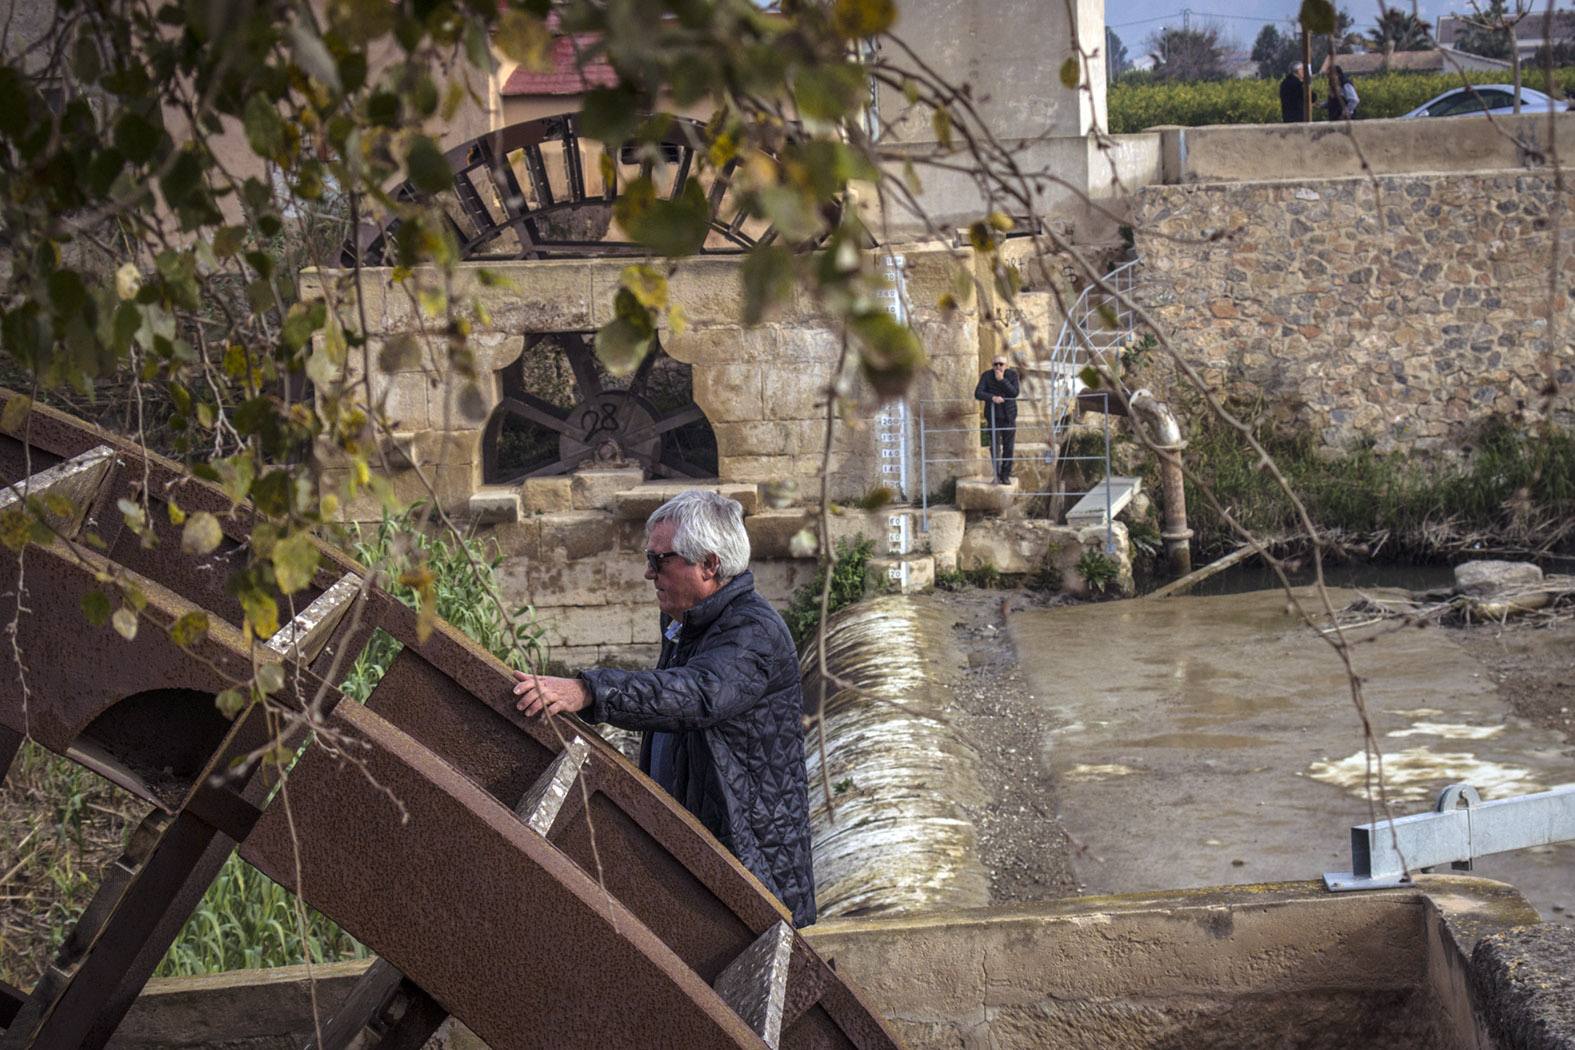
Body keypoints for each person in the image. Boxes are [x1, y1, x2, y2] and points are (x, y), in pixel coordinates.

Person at [511, 490, 817, 927]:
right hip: (699, 855)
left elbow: (694, 694)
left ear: (709, 565)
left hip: (748, 862)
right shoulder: (688, 622)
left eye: (660, 561)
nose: (647, 572)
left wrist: (589, 691)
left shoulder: (754, 633)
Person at [974, 354, 1019, 484]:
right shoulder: (987, 376)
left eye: (1001, 364)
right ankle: (997, 474)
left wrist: (1001, 380)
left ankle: (1006, 475)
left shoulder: (1012, 375)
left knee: (1008, 447)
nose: (998, 366)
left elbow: (1015, 392)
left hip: (1009, 416)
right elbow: (978, 393)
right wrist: (992, 398)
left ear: (1006, 366)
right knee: (994, 447)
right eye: (995, 364)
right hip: (993, 417)